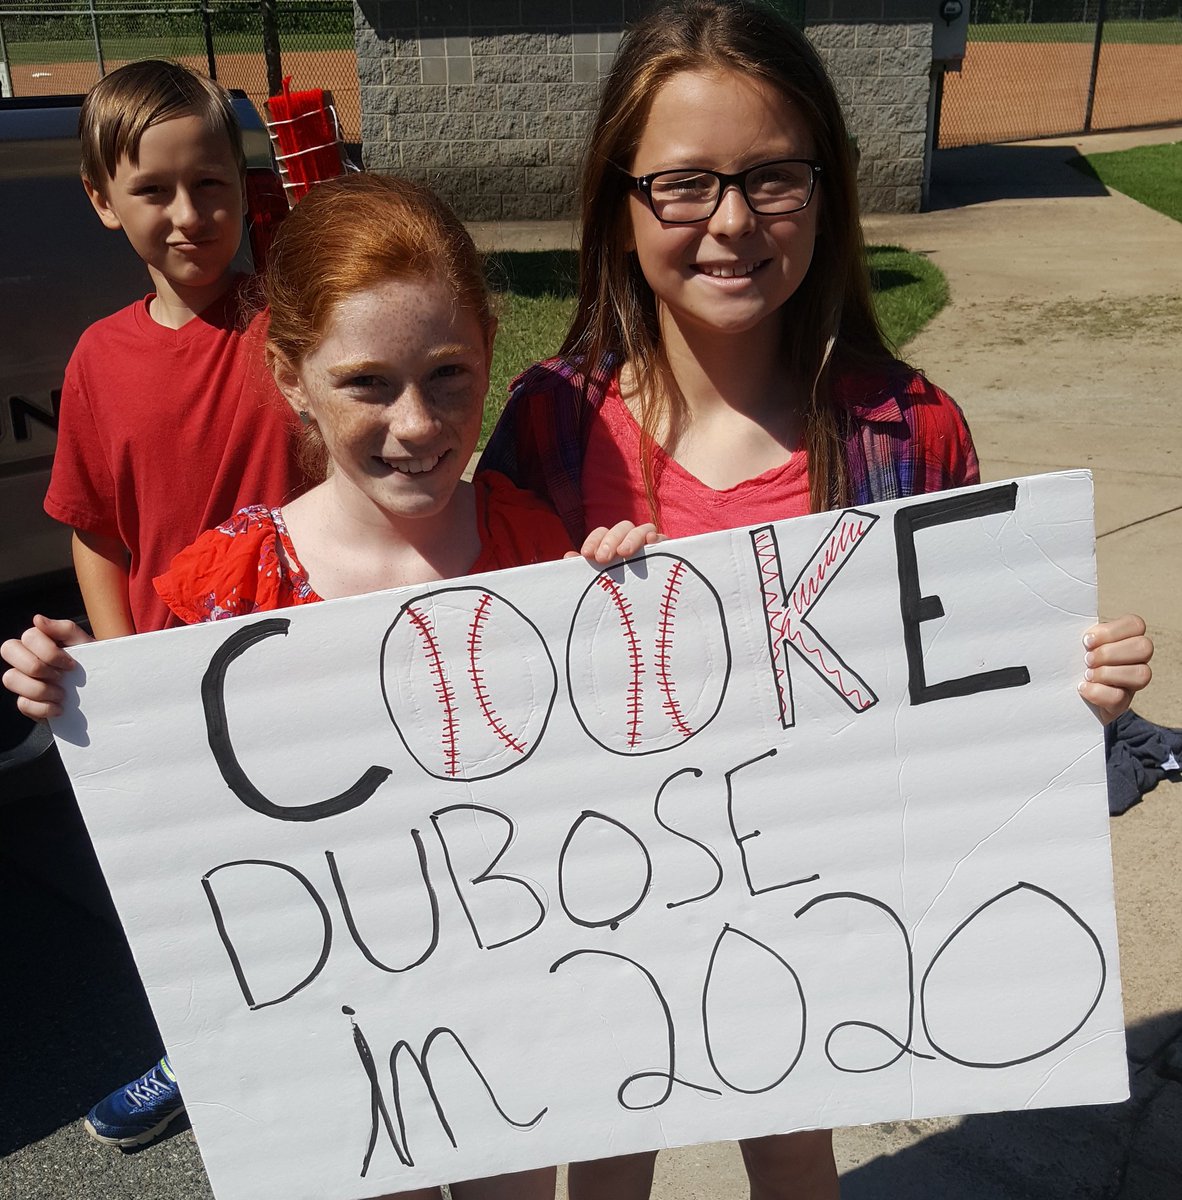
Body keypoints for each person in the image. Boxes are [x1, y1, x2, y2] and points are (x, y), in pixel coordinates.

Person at [478, 2, 1155, 1197]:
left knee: (798, 1142)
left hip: (828, 918)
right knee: (607, 1143)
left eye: (775, 178)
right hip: (611, 903)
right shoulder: (549, 423)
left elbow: (972, 691)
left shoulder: (909, 429)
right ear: (617, 202)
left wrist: (1065, 697)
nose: (733, 221)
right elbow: (463, 675)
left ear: (828, 190)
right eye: (683, 184)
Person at [3, 170, 659, 1199]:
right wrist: (80, 691)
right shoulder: (224, 591)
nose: (416, 423)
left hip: (515, 1021)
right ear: (291, 374)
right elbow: (176, 813)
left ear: (489, 350)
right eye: (368, 382)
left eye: (449, 374)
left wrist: (624, 614)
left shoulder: (537, 555)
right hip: (340, 1042)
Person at [39, 59, 307, 1147]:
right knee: (191, 898)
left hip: (308, 677)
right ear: (104, 201)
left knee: (313, 880)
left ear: (248, 190)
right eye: (154, 191)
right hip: (176, 699)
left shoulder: (298, 325)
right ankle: (194, 1051)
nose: (191, 214)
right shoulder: (98, 361)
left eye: (214, 184)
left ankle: (337, 1047)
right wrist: (127, 671)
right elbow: (92, 525)